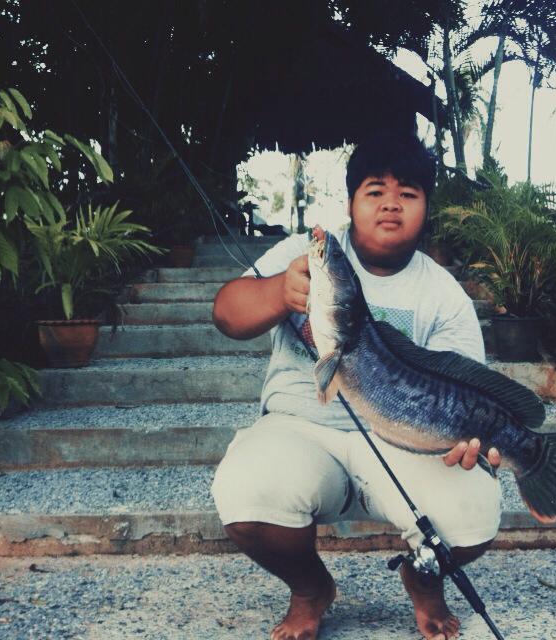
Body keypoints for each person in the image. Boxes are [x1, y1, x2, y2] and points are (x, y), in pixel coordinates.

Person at [211, 132, 503, 640]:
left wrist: (475, 437)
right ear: (350, 202)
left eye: (408, 193)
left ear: (425, 209)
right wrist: (280, 291)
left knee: (474, 511)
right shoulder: (304, 254)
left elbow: (464, 387)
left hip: (405, 442)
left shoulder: (443, 294)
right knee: (245, 492)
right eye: (375, 190)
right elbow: (227, 315)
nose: (391, 203)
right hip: (298, 431)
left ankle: (423, 578)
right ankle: (310, 590)